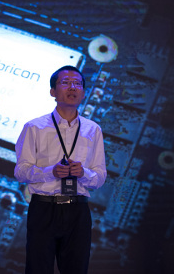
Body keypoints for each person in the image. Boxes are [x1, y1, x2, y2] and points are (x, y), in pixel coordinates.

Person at [14, 65, 107, 274]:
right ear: (53, 92)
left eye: (77, 84)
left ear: (83, 92)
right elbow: (20, 171)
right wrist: (50, 172)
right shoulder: (34, 127)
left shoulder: (93, 129)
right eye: (65, 83)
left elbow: (100, 177)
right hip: (44, 208)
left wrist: (83, 173)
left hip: (77, 210)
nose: (72, 87)